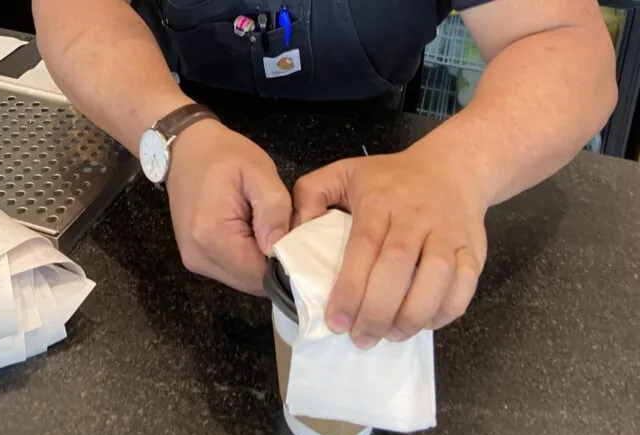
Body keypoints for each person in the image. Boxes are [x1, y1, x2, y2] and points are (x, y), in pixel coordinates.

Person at [31, 0, 617, 349]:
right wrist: (176, 132)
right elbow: (78, 13)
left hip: (384, 161)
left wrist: (457, 167)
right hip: (154, 145)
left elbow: (564, 41)